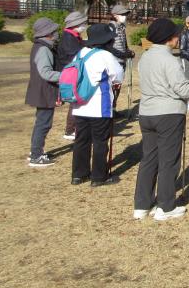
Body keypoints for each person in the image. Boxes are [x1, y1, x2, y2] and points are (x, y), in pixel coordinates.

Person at [133, 18, 189, 221]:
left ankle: (142, 205)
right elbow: (182, 88)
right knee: (169, 160)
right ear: (168, 38)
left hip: (147, 114)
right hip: (168, 114)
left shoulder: (144, 58)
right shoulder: (170, 60)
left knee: (149, 159)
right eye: (176, 35)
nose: (178, 38)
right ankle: (166, 206)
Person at [71, 24, 124, 186]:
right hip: (99, 105)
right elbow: (118, 77)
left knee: (81, 140)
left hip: (79, 105)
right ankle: (99, 177)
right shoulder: (105, 56)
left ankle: (79, 175)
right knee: (100, 141)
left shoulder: (80, 53)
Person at [25, 18, 62, 167]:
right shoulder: (44, 49)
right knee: (44, 123)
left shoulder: (40, 46)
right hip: (44, 91)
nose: (56, 34)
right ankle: (36, 155)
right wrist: (65, 76)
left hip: (42, 90)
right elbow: (46, 73)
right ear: (48, 33)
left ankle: (36, 151)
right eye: (54, 31)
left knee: (41, 122)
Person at [56, 11, 88, 141]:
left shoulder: (74, 36)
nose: (84, 25)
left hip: (72, 71)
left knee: (76, 101)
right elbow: (74, 55)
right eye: (83, 23)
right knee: (75, 101)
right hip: (70, 73)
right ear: (76, 24)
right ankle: (70, 130)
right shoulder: (69, 38)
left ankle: (73, 128)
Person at [108, 4, 135, 113]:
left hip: (121, 61)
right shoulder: (111, 27)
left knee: (117, 87)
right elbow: (109, 47)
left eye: (125, 14)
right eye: (122, 14)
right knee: (111, 87)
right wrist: (123, 55)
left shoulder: (122, 27)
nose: (124, 16)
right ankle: (109, 109)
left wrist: (129, 52)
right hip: (113, 61)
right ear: (115, 15)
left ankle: (114, 109)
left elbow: (124, 44)